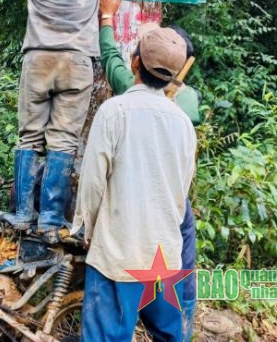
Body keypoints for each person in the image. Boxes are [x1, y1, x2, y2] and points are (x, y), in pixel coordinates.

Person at [2, 0, 120, 243]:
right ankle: (51, 218)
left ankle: (22, 213)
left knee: (28, 138)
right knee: (63, 140)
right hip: (76, 60)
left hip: (38, 58)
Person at [72, 22, 197, 341]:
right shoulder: (183, 123)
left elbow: (93, 183)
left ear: (135, 62)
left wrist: (86, 227)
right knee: (170, 335)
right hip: (164, 257)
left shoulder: (115, 111)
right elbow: (182, 192)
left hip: (117, 254)